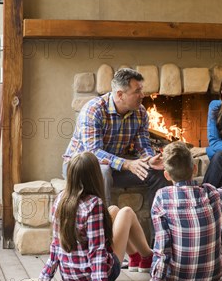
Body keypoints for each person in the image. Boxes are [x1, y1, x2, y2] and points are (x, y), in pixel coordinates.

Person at [133, 142, 222, 281]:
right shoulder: (211, 193)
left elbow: (162, 247)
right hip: (214, 279)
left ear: (167, 175)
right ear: (195, 169)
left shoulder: (161, 197)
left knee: (215, 211)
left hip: (177, 279)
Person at [21, 152, 154, 281]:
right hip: (93, 277)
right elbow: (96, 250)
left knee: (114, 211)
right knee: (126, 212)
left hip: (69, 276)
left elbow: (56, 243)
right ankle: (147, 256)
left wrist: (44, 277)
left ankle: (135, 258)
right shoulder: (93, 204)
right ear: (94, 176)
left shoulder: (60, 199)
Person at [63, 68, 169, 206]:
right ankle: (104, 222)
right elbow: (94, 153)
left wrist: (148, 160)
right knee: (103, 171)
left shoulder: (140, 112)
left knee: (157, 173)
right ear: (120, 95)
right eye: (137, 91)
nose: (142, 95)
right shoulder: (94, 110)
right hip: (81, 167)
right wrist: (127, 164)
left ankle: (159, 224)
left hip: (116, 166)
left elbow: (143, 145)